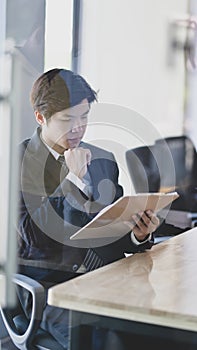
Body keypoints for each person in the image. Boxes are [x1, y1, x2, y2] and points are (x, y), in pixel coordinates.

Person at [17, 68, 159, 349]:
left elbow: (109, 230)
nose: (78, 128)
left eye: (84, 117)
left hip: (106, 280)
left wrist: (137, 234)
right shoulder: (15, 162)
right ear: (40, 118)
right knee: (113, 342)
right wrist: (74, 180)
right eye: (67, 119)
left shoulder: (103, 160)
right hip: (52, 291)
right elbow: (32, 237)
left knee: (158, 330)